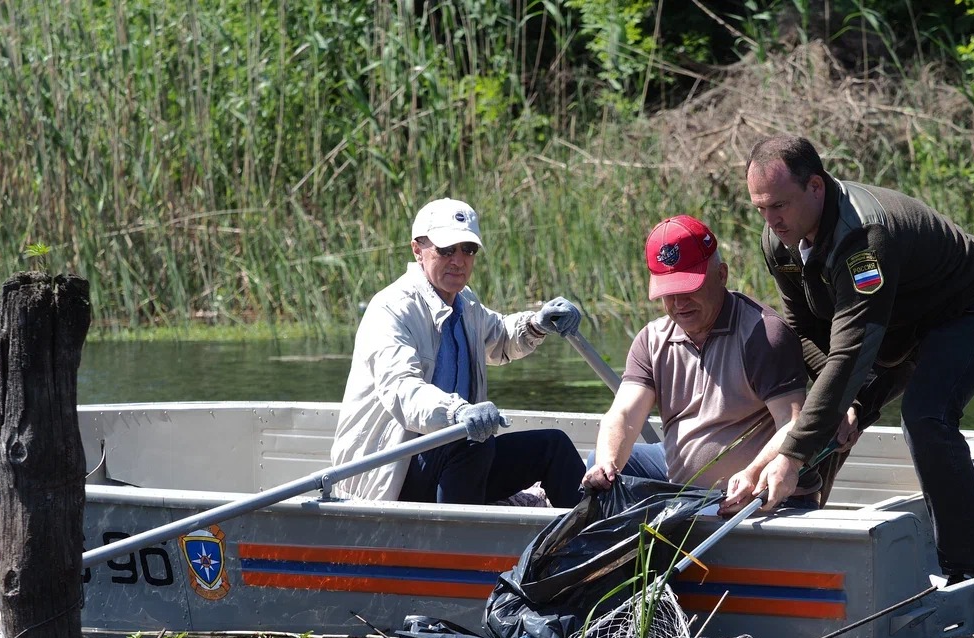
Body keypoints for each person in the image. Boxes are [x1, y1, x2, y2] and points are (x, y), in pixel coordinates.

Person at [728, 135, 974, 583]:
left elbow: (853, 350)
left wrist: (793, 453)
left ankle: (963, 571)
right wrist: (847, 409)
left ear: (817, 188)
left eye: (779, 206)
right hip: (897, 324)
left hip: (969, 308)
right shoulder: (778, 240)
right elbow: (803, 331)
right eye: (760, 208)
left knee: (926, 416)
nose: (771, 221)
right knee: (822, 414)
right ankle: (803, 551)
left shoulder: (865, 240)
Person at [330, 197, 585, 507]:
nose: (459, 261)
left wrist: (536, 324)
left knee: (552, 446)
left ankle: (590, 545)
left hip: (456, 464)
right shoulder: (392, 310)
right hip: (389, 478)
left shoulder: (465, 302)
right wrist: (457, 412)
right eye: (446, 250)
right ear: (417, 250)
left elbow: (499, 338)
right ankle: (457, 543)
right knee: (471, 441)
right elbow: (402, 391)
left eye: (468, 250)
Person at [581, 214, 816, 506]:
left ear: (721, 275)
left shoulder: (763, 334)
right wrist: (607, 463)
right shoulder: (652, 339)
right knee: (600, 462)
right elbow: (624, 415)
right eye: (669, 292)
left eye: (689, 288)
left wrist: (753, 472)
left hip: (759, 494)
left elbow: (793, 424)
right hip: (681, 486)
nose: (679, 303)